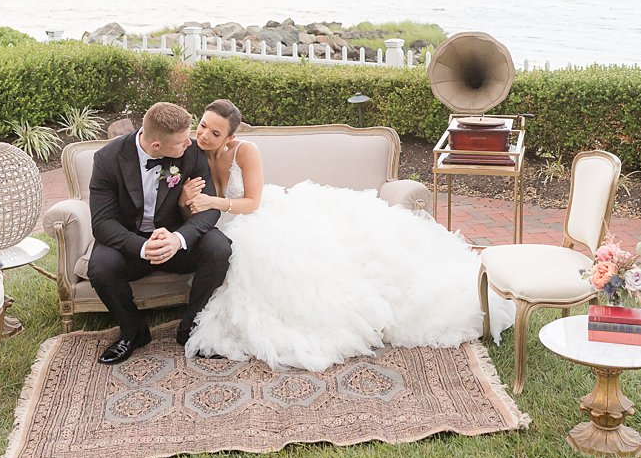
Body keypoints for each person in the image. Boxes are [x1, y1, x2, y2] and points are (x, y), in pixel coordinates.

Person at [179, 99, 515, 371]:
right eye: (203, 126)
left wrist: (213, 200)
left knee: (277, 256)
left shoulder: (244, 151)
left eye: (215, 132)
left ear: (230, 137)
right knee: (235, 252)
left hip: (257, 214)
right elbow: (186, 198)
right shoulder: (193, 152)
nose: (204, 134)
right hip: (221, 223)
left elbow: (251, 202)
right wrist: (186, 199)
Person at [85, 101, 232, 365]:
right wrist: (142, 247)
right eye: (181, 142)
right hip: (130, 245)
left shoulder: (192, 152)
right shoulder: (107, 159)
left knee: (219, 246)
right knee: (101, 265)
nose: (190, 143)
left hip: (175, 241)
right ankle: (133, 332)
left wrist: (178, 239)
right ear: (156, 146)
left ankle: (190, 330)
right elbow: (103, 222)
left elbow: (210, 208)